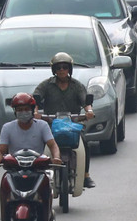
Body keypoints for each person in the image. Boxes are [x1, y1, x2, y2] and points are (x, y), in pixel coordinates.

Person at [34, 53, 97, 188]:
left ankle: (86, 175)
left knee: (85, 143)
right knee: (38, 143)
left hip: (73, 124)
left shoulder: (77, 85)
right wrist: (35, 112)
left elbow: (85, 101)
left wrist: (89, 111)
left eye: (65, 67)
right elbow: (36, 98)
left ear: (70, 69)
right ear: (54, 70)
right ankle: (38, 173)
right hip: (51, 124)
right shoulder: (46, 85)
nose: (62, 70)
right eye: (58, 67)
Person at [0, 93, 63, 165]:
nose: (23, 112)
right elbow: (1, 150)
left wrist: (56, 158)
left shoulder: (42, 125)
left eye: (26, 109)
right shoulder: (7, 127)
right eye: (20, 110)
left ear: (32, 110)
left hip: (37, 166)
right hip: (14, 167)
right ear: (15, 112)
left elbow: (52, 145)